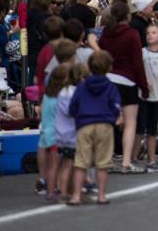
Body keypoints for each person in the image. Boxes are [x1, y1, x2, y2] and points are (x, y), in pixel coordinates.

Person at [100, 0, 149, 174]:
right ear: (127, 16)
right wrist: (144, 86)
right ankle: (126, 161)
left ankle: (108, 157)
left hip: (108, 79)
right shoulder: (132, 34)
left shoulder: (105, 33)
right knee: (130, 123)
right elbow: (137, 63)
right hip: (127, 80)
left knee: (109, 121)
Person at [67, 50, 121, 205]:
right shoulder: (110, 86)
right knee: (103, 163)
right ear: (109, 68)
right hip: (104, 124)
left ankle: (76, 195)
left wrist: (78, 117)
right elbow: (116, 106)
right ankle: (102, 195)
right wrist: (112, 118)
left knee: (81, 162)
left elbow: (73, 106)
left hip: (85, 124)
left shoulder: (82, 86)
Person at [138, 23, 158, 171]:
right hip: (143, 96)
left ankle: (151, 160)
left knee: (152, 129)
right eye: (148, 33)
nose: (150, 35)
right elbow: (137, 71)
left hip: (157, 96)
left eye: (153, 32)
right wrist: (143, 83)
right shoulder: (142, 52)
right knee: (139, 129)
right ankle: (132, 157)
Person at [54, 61, 84, 199]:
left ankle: (64, 190)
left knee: (66, 164)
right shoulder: (73, 92)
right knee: (71, 165)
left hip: (61, 133)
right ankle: (66, 191)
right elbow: (71, 111)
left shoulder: (63, 91)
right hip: (71, 134)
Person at [39, 65, 66, 201]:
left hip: (45, 132)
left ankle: (49, 189)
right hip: (56, 134)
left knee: (51, 165)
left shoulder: (46, 97)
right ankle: (56, 189)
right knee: (58, 165)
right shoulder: (60, 98)